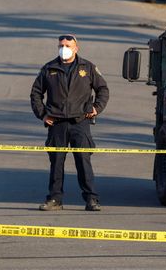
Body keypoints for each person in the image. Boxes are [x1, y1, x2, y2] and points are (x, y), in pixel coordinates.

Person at [30, 34, 109, 212]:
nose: (63, 48)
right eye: (61, 45)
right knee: (56, 162)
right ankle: (55, 199)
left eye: (67, 45)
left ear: (76, 48)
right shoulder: (49, 68)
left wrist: (97, 108)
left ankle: (91, 199)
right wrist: (42, 114)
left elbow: (103, 89)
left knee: (83, 161)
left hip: (80, 122)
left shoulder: (87, 68)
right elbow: (35, 93)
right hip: (56, 123)